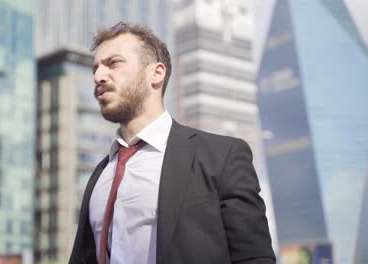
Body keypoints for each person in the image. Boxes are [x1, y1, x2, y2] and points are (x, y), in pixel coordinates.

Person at [69, 22, 275, 264]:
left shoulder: (221, 157)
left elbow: (254, 258)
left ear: (156, 73)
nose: (98, 76)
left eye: (113, 63)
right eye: (96, 68)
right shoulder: (99, 176)